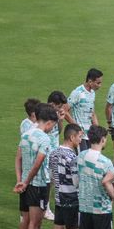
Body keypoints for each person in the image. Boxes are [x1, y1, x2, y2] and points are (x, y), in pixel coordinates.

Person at [13, 104, 58, 229]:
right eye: (53, 125)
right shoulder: (44, 139)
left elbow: (18, 158)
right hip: (38, 184)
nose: (53, 128)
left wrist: (21, 180)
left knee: (25, 219)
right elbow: (38, 163)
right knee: (35, 222)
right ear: (49, 122)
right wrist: (27, 181)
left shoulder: (26, 135)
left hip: (24, 183)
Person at [46, 123, 83, 229]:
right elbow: (76, 182)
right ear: (72, 137)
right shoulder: (73, 158)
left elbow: (51, 175)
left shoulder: (54, 153)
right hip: (72, 198)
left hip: (59, 196)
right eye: (79, 136)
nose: (81, 140)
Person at [44, 91, 67, 222]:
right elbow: (45, 130)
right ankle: (45, 209)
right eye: (58, 106)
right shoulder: (44, 114)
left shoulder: (55, 113)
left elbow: (58, 131)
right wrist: (56, 118)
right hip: (45, 152)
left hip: (54, 152)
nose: (60, 109)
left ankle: (46, 207)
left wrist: (60, 120)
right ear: (52, 104)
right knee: (47, 182)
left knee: (52, 181)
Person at [66, 68, 103, 152]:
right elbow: (64, 111)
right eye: (98, 83)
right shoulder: (78, 92)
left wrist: (97, 129)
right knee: (82, 160)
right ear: (90, 81)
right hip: (80, 136)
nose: (100, 85)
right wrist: (76, 126)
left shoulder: (92, 93)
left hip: (89, 134)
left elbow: (92, 112)